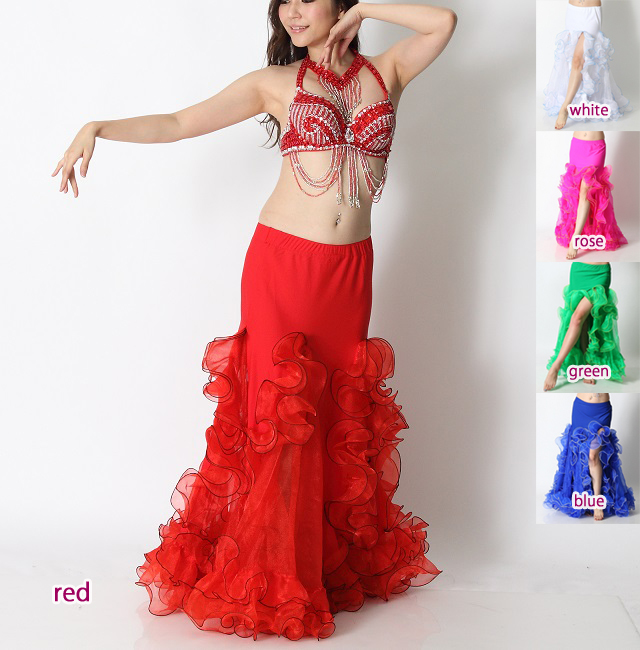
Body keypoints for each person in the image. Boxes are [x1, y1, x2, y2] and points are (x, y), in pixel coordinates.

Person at [52, 0, 457, 641]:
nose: (292, 11)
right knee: (278, 417)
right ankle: (270, 579)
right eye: (283, 2)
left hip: (349, 272)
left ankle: (314, 568)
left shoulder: (388, 71)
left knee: (334, 414)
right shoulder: (275, 83)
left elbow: (444, 23)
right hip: (282, 267)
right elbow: (179, 122)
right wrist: (98, 127)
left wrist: (363, 11)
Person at [543, 393, 635, 521]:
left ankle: (597, 501)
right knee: (581, 455)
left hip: (602, 411)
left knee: (593, 456)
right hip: (581, 408)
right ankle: (586, 499)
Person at [542, 0, 631, 130]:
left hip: (591, 13)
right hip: (573, 11)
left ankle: (565, 107)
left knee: (578, 60)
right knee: (573, 59)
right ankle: (580, 101)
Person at [543, 261, 625, 391]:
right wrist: (573, 248)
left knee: (577, 318)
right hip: (579, 270)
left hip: (600, 272)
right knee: (583, 321)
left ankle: (555, 367)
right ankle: (587, 366)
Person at [554, 131, 627, 259]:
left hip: (596, 147)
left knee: (586, 189)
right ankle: (582, 231)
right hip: (577, 145)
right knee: (577, 190)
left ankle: (576, 238)